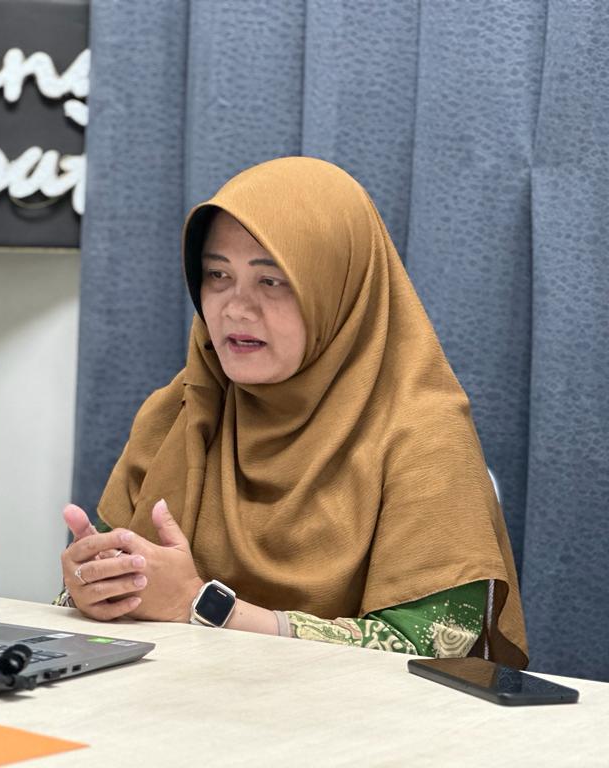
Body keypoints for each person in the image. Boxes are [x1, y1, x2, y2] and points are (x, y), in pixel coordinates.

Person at [58, 157, 528, 665]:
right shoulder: (179, 411)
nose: (235, 307)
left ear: (337, 290)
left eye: (272, 280)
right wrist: (96, 588)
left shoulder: (425, 435)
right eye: (218, 274)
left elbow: (440, 647)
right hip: (175, 701)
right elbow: (122, 593)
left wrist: (204, 607)